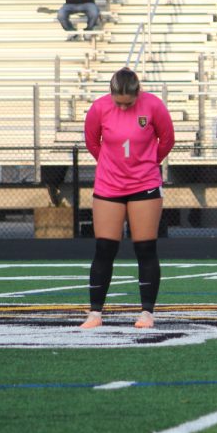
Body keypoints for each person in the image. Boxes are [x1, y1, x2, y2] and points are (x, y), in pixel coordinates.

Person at [81, 68, 175, 330]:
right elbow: (92, 142)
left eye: (129, 103)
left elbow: (167, 139)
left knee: (145, 249)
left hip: (144, 184)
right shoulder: (99, 108)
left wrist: (147, 163)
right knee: (104, 249)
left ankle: (147, 312)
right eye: (118, 103)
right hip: (109, 186)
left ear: (138, 94)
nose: (123, 108)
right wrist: (111, 165)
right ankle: (95, 312)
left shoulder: (154, 106)